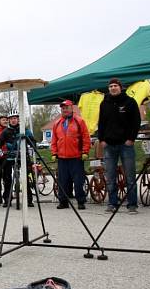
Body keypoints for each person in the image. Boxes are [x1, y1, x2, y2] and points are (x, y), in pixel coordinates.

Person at [96, 77, 141, 213]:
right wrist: (102, 139)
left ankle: (132, 204)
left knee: (130, 176)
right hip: (109, 145)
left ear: (120, 87)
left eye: (115, 86)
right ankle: (112, 203)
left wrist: (131, 139)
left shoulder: (130, 102)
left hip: (125, 144)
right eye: (110, 87)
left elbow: (136, 122)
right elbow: (101, 123)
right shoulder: (104, 103)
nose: (113, 88)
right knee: (110, 176)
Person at [50, 100, 90, 210]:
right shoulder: (57, 123)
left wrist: (85, 151)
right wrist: (54, 152)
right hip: (62, 158)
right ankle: (63, 202)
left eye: (67, 107)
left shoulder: (79, 121)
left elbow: (86, 137)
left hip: (76, 157)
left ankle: (81, 201)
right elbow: (54, 140)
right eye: (63, 108)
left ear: (72, 108)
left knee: (78, 181)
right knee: (63, 181)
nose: (64, 109)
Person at [0, 114, 35, 207]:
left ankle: (29, 200)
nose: (13, 120)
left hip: (22, 155)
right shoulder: (5, 131)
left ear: (18, 119)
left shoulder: (25, 130)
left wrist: (32, 148)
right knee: (7, 178)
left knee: (25, 178)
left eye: (15, 118)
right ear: (9, 120)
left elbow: (32, 141)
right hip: (10, 155)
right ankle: (7, 199)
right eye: (11, 119)